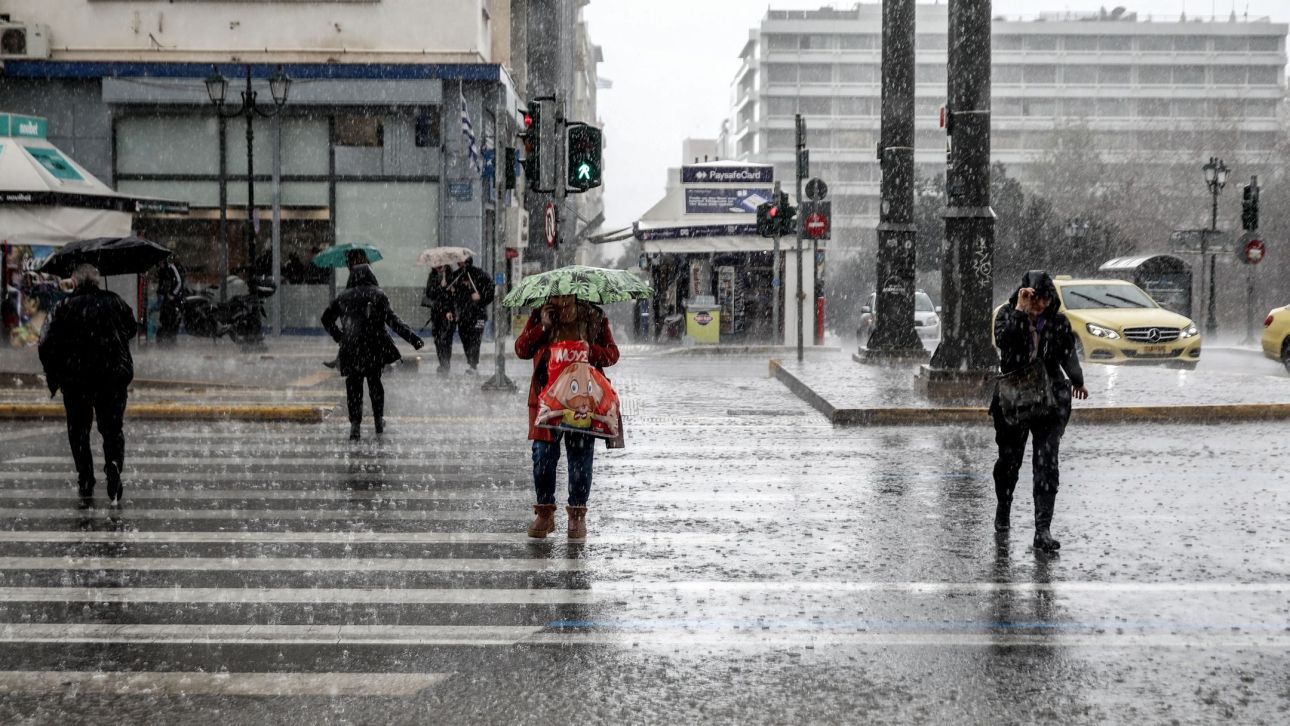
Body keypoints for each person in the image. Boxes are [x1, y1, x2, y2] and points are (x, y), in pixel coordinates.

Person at [990, 270, 1089, 551]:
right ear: (1024, 294)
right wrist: (1021, 312)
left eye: (1046, 299)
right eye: (1036, 298)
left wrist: (1077, 380)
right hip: (1014, 400)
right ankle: (1003, 508)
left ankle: (1042, 529)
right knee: (1009, 462)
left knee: (1047, 464)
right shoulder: (1008, 316)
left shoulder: (1057, 322)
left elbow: (1068, 353)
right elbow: (1005, 342)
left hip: (1049, 402)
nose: (1041, 305)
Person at [515, 295, 620, 540]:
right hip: (547, 402)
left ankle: (577, 515)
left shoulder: (593, 316)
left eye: (566, 295)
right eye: (556, 295)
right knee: (542, 456)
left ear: (575, 295)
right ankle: (545, 512)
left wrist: (590, 350)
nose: (561, 300)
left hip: (583, 402)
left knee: (580, 460)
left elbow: (612, 354)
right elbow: (522, 349)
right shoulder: (541, 313)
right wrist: (543, 327)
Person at [37, 264, 138, 506]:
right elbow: (132, 329)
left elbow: (45, 343)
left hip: (76, 381)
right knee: (112, 430)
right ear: (96, 280)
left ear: (74, 281)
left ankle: (86, 477)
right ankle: (114, 464)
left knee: (79, 431)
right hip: (111, 379)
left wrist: (54, 374)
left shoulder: (63, 307)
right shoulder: (115, 301)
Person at [321, 264, 424, 440]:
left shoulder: (343, 297)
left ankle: (355, 425)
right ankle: (378, 420)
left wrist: (339, 336)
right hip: (374, 347)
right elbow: (393, 321)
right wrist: (413, 338)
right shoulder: (378, 295)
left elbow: (326, 319)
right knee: (375, 384)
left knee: (353, 386)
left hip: (351, 347)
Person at [451, 256, 495, 373]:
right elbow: (451, 295)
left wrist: (481, 296)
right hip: (463, 314)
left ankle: (473, 364)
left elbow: (491, 289)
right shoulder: (456, 276)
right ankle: (470, 361)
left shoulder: (479, 274)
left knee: (475, 339)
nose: (459, 263)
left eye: (461, 261)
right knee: (464, 337)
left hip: (478, 314)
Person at [423, 265, 456, 374]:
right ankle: (442, 363)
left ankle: (446, 364)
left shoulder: (452, 276)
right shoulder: (432, 276)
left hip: (449, 314)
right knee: (438, 340)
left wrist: (452, 290)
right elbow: (429, 293)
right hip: (436, 313)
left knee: (446, 339)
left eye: (441, 265)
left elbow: (454, 297)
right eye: (436, 265)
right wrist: (440, 287)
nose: (438, 267)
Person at [155, 258, 185, 346]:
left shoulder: (171, 268)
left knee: (172, 320)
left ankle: (172, 341)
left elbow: (179, 282)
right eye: (159, 263)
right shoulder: (161, 271)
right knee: (164, 318)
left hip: (174, 299)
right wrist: (160, 292)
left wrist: (173, 294)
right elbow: (161, 284)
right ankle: (166, 341)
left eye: (161, 262)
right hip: (166, 299)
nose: (160, 264)